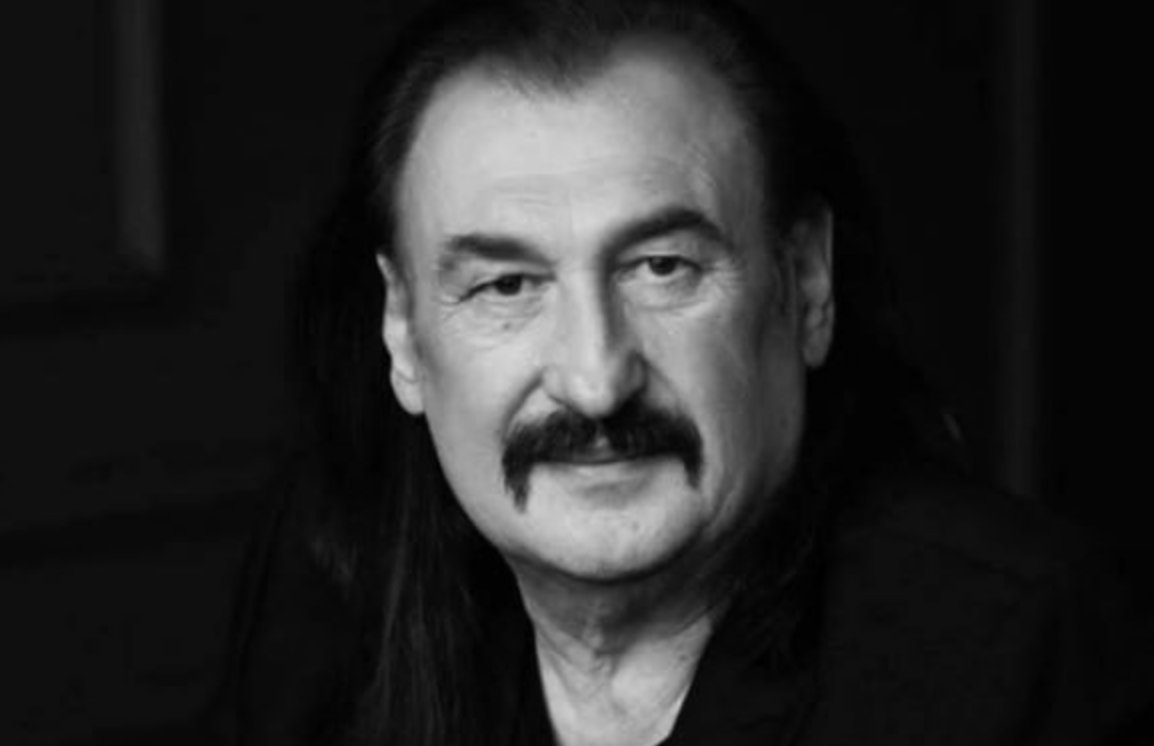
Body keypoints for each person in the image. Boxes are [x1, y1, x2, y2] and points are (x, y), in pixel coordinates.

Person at [210, 0, 1154, 744]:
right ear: (403, 333)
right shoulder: (332, 587)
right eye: (506, 285)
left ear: (806, 285)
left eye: (663, 268)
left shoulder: (1015, 651)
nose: (596, 382)